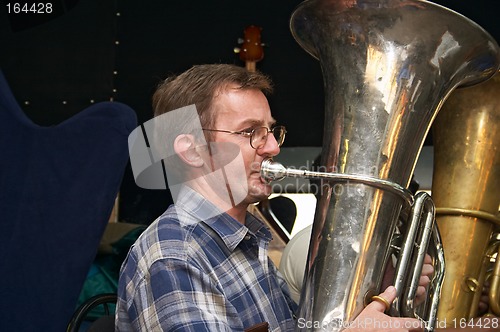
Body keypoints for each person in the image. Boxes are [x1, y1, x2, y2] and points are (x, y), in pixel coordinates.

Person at [116, 63, 425, 331]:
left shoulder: (247, 241)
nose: (274, 147)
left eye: (271, 130)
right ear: (192, 150)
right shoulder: (173, 257)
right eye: (251, 131)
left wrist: (384, 294)